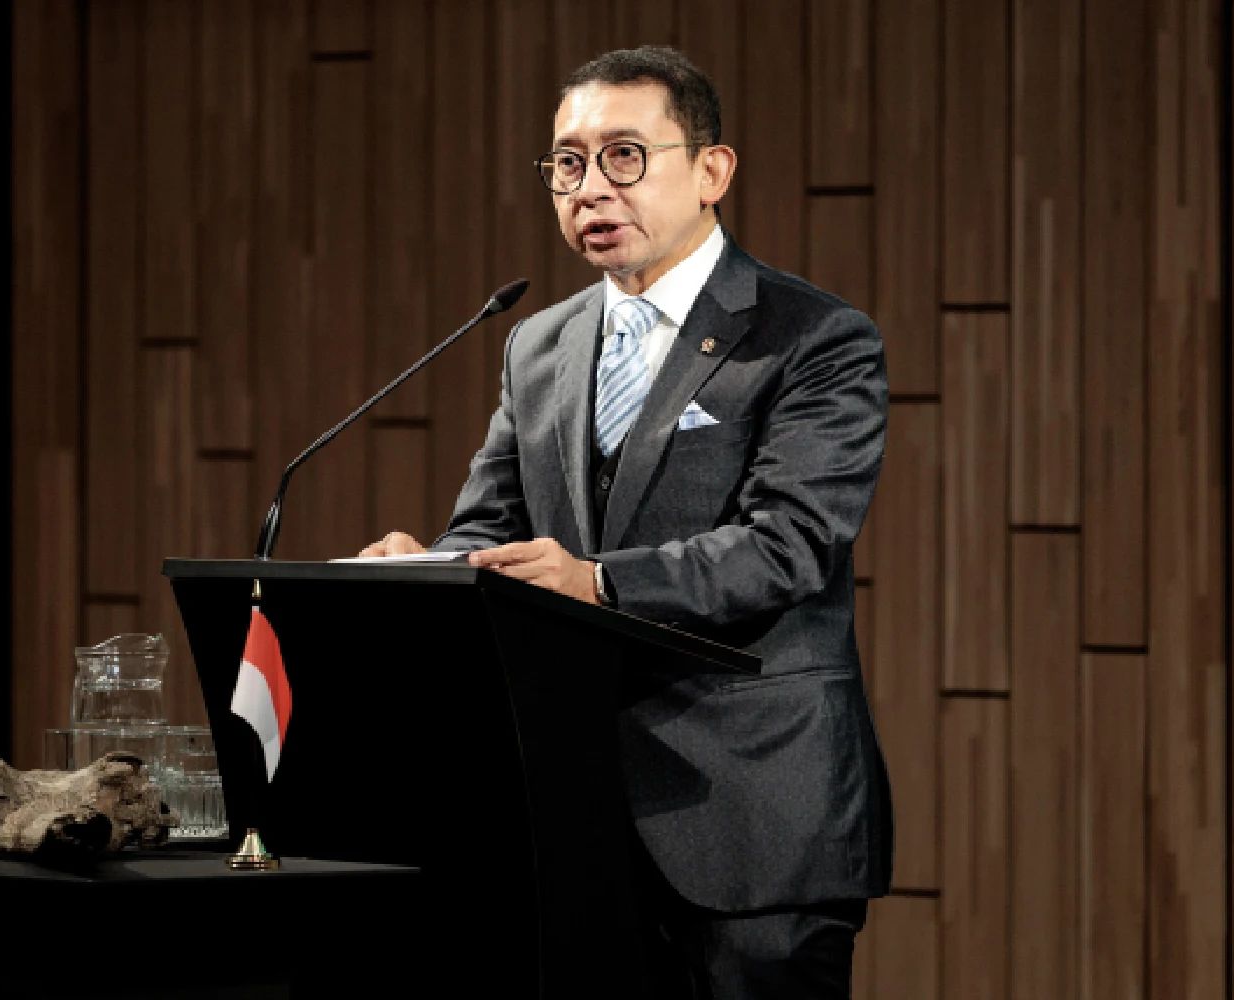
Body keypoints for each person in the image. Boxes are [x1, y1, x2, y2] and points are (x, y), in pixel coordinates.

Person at [361, 45, 892, 999]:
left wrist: (600, 581)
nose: (590, 188)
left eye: (623, 156)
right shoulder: (540, 343)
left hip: (754, 816)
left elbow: (790, 545)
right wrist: (428, 568)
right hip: (574, 821)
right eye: (567, 163)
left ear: (711, 171)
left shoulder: (812, 337)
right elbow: (491, 524)